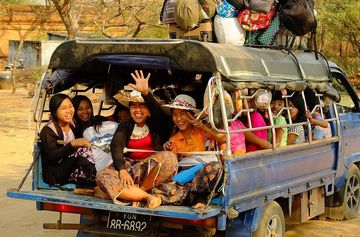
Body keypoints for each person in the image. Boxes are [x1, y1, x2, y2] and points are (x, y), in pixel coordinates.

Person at [96, 70, 178, 208]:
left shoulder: (156, 123)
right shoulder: (125, 126)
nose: (137, 110)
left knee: (169, 158)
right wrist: (121, 169)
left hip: (152, 172)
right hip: (131, 170)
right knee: (103, 175)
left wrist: (146, 94)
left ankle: (134, 193)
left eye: (142, 105)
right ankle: (146, 196)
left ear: (149, 109)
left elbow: (157, 113)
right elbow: (116, 145)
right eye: (134, 105)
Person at [39, 94, 97, 187]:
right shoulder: (48, 130)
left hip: (72, 167)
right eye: (63, 108)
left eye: (70, 107)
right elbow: (52, 156)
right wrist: (72, 144)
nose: (69, 111)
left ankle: (95, 180)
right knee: (82, 151)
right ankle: (91, 183)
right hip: (55, 173)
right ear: (54, 112)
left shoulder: (73, 125)